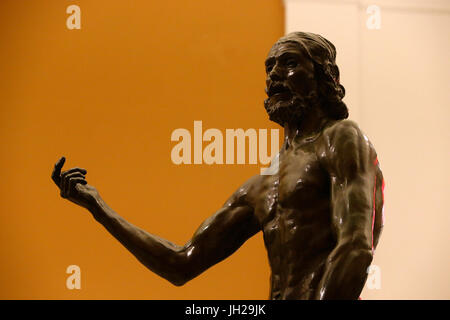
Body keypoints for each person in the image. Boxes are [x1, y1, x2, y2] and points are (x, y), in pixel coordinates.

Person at [51, 32, 384, 300]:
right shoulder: (263, 185)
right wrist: (97, 206)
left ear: (325, 76)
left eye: (290, 64)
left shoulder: (341, 137)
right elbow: (182, 263)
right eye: (269, 69)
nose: (275, 76)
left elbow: (355, 247)